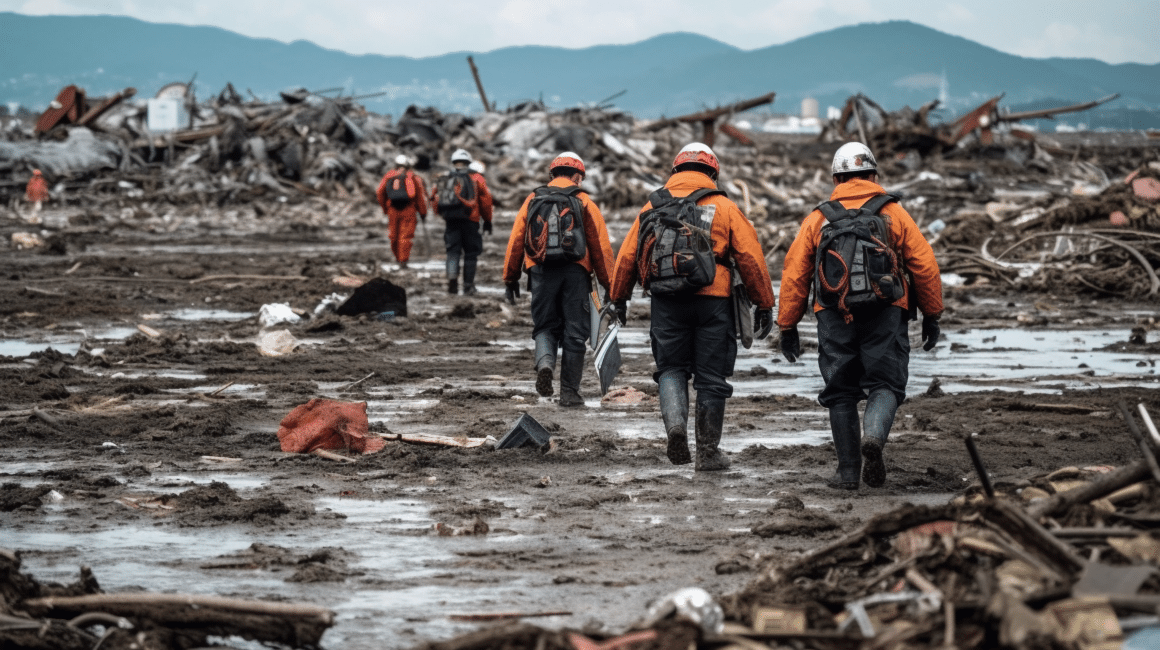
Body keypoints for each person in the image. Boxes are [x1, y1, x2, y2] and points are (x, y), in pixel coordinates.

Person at [777, 142, 943, 490]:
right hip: (887, 310)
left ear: (836, 176)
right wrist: (932, 314)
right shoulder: (893, 212)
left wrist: (787, 325)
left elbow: (795, 273)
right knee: (885, 383)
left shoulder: (819, 217)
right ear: (874, 175)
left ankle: (848, 472)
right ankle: (875, 439)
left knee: (840, 391)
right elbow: (924, 266)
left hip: (834, 312)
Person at [610, 143, 775, 470]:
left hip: (666, 300)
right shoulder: (723, 206)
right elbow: (751, 259)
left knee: (671, 368)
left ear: (675, 171)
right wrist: (764, 303)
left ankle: (675, 431)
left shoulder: (652, 205)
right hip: (714, 301)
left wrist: (619, 298)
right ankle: (708, 453)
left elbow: (628, 256)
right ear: (713, 172)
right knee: (711, 378)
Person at [502, 152, 615, 407]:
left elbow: (517, 239)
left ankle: (545, 365)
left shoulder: (533, 199)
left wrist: (510, 278)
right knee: (575, 333)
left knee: (544, 327)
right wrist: (611, 287)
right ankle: (570, 394)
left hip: (540, 272)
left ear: (551, 175)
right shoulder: (584, 201)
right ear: (578, 176)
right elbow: (601, 248)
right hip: (576, 273)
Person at [431, 149, 493, 295]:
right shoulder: (477, 178)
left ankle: (452, 282)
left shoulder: (445, 178)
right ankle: (468, 286)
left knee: (452, 252)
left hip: (451, 221)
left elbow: (434, 198)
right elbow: (486, 201)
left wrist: (443, 214)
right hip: (471, 221)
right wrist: (488, 220)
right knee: (471, 253)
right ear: (468, 162)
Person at [375, 154, 428, 269]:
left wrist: (385, 208)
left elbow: (380, 192)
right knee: (406, 236)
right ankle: (403, 261)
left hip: (392, 210)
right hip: (409, 209)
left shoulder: (389, 176)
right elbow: (420, 197)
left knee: (393, 236)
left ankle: (397, 258)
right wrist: (423, 213)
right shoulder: (413, 177)